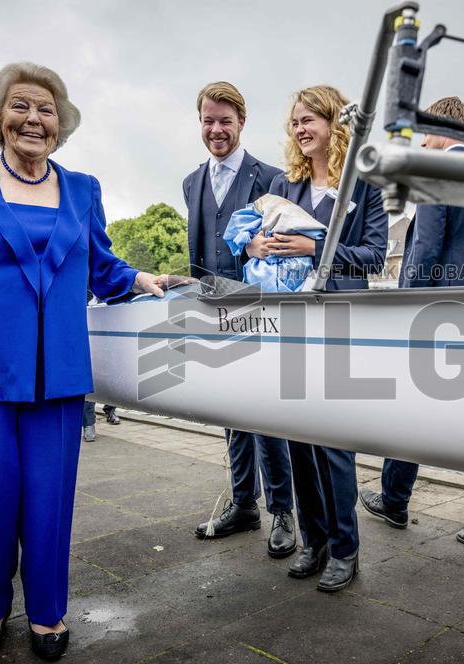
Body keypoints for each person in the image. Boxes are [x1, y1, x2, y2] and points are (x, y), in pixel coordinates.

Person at [0, 62, 176, 662]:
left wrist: (142, 278)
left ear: (61, 124)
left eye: (47, 110)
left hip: (58, 376)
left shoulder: (83, 189)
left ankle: (47, 614)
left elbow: (102, 266)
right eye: (21, 106)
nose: (34, 119)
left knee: (49, 501)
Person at [356, 97, 464, 559]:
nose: (422, 140)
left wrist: (407, 306)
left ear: (443, 129)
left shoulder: (435, 174)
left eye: (426, 131)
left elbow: (423, 249)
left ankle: (394, 500)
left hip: (438, 311)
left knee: (411, 411)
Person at [266, 85, 387, 591]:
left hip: (339, 319)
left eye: (310, 118)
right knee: (298, 440)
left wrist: (314, 252)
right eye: (295, 121)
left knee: (334, 445)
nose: (300, 128)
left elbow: (375, 255)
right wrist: (261, 243)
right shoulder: (283, 184)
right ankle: (313, 542)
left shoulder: (365, 184)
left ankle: (345, 548)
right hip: (291, 321)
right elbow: (258, 240)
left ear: (335, 123)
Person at [185, 82, 297, 559]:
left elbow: (278, 245)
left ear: (241, 123)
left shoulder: (271, 177)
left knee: (265, 413)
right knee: (231, 412)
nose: (216, 129)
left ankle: (283, 511)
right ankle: (244, 504)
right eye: (208, 120)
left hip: (258, 305)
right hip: (213, 305)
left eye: (224, 121)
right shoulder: (191, 181)